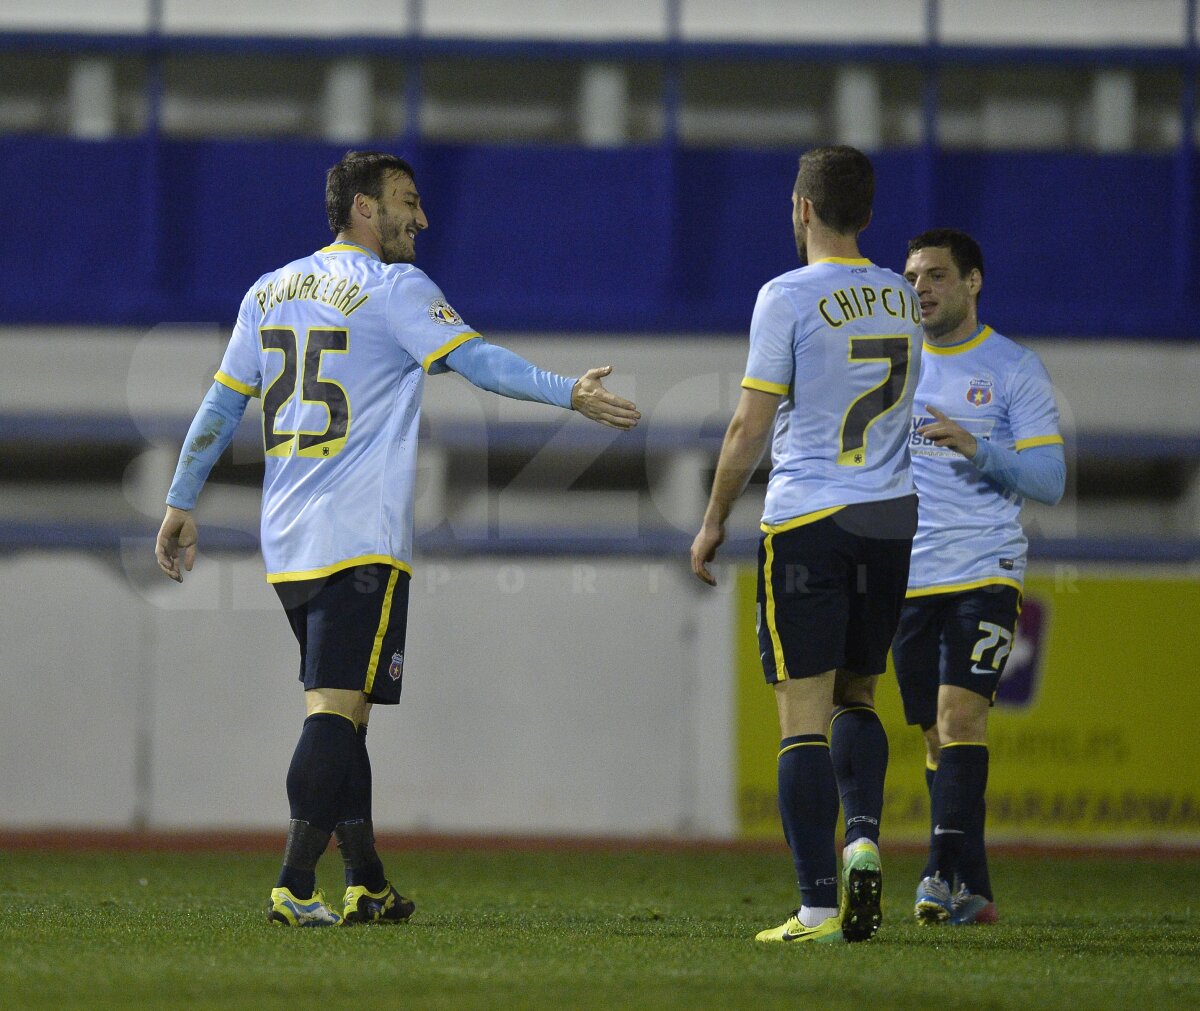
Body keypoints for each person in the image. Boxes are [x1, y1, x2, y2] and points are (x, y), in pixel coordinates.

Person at [154, 151, 640, 927]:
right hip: (361, 542)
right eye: (408, 201)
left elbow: (221, 406)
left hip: (287, 543)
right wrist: (568, 393)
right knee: (332, 713)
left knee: (348, 719)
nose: (423, 216)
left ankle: (369, 882)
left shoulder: (269, 290)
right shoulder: (394, 288)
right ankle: (293, 884)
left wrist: (180, 499)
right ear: (363, 209)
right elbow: (478, 361)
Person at [690, 145, 923, 943]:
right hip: (892, 516)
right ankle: (862, 834)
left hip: (810, 518)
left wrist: (715, 516)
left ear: (802, 208)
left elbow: (748, 424)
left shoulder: (785, 295)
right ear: (867, 211)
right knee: (860, 694)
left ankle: (818, 903)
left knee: (801, 718)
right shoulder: (900, 294)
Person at [894, 229, 1065, 926]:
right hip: (907, 572)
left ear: (973, 282)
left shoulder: (1012, 367)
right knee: (937, 737)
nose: (921, 288)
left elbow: (1049, 480)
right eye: (911, 276)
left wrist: (977, 446)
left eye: (936, 274)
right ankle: (977, 888)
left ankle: (937, 873)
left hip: (986, 565)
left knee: (962, 716)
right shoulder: (893, 365)